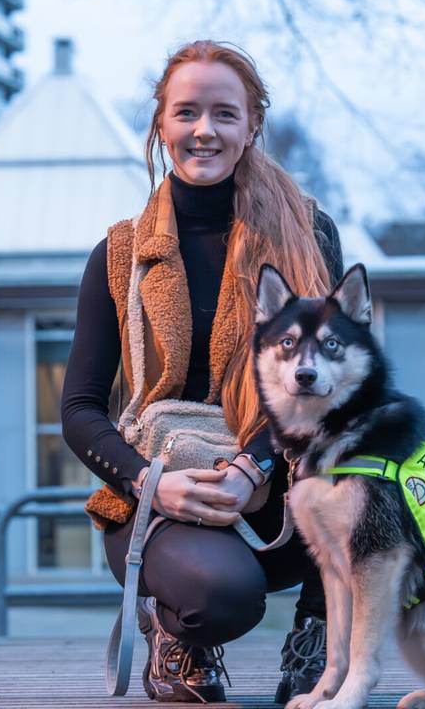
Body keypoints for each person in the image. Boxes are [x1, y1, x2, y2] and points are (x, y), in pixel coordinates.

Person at [61, 40, 344, 704]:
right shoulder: (120, 253)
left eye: (224, 113)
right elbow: (79, 410)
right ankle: (175, 632)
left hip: (280, 487)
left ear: (252, 126)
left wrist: (254, 467)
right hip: (160, 494)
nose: (204, 131)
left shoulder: (310, 235)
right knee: (223, 596)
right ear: (161, 124)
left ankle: (319, 635)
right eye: (186, 112)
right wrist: (152, 484)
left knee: (386, 486)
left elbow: (334, 383)